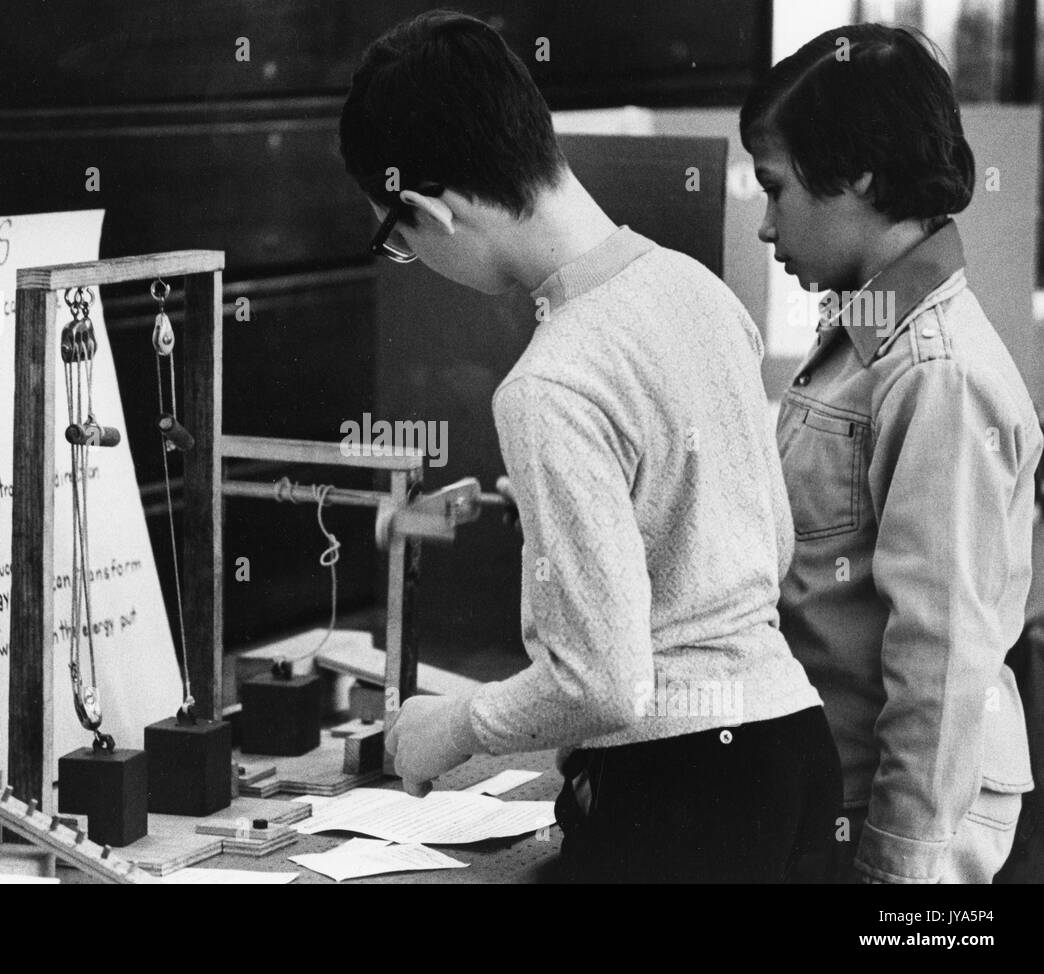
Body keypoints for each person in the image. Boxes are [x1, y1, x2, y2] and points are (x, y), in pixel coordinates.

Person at [341, 10, 840, 882]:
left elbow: (604, 684)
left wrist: (446, 729)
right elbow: (773, 547)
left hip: (680, 798)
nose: (409, 255)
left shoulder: (548, 383)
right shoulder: (699, 292)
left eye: (398, 238)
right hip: (796, 756)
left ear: (429, 212)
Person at [742, 23, 1040, 883]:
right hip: (837, 786)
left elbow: (940, 657)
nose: (766, 227)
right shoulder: (867, 332)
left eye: (777, 190)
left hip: (901, 815)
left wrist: (900, 879)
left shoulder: (937, 375)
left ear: (858, 176)